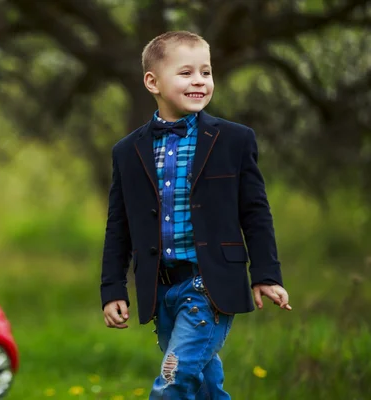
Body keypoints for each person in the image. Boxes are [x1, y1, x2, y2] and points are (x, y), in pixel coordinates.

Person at [99, 31, 291, 400]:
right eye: (186, 73)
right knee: (203, 386)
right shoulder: (127, 151)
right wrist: (112, 289)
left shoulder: (234, 140)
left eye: (206, 72)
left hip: (210, 285)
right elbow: (118, 224)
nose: (200, 81)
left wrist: (266, 274)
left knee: (173, 379)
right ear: (152, 81)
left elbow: (255, 212)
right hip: (161, 288)